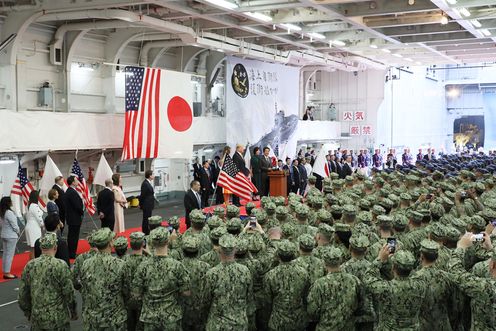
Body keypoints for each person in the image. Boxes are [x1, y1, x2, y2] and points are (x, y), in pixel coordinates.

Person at [132, 227, 191, 330]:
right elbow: (186, 292)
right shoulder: (177, 266)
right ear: (168, 241)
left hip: (150, 318)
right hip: (171, 318)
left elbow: (136, 294)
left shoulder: (143, 266)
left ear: (151, 243)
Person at [18, 233, 77, 330]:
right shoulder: (60, 265)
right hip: (58, 319)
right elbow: (69, 293)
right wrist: (73, 311)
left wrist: (29, 313)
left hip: (37, 318)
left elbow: (22, 296)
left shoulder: (30, 265)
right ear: (55, 247)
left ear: (41, 247)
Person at [80, 228, 127, 330]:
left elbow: (84, 287)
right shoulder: (120, 264)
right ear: (110, 243)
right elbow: (127, 291)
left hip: (94, 319)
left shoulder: (86, 264)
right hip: (115, 319)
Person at [204, 234, 253, 330]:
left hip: (217, 324)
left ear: (219, 250)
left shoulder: (211, 273)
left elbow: (205, 301)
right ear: (235, 250)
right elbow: (249, 298)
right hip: (239, 323)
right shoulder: (245, 271)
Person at [307, 247, 361, 330]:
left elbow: (312, 311)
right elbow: (362, 305)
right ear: (341, 260)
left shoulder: (319, 284)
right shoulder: (354, 280)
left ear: (324, 262)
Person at [65, 175, 84, 259]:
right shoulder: (72, 192)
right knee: (73, 236)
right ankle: (72, 253)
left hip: (72, 217)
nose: (78, 182)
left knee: (72, 235)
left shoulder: (70, 191)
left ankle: (71, 252)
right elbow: (77, 206)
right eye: (76, 180)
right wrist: (81, 211)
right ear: (72, 182)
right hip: (74, 217)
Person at [1, 196, 20, 279]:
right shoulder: (9, 213)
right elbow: (15, 226)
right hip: (11, 236)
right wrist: (18, 231)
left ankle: (5, 270)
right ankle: (7, 273)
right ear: (8, 203)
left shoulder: (2, 212)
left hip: (4, 234)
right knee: (9, 255)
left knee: (5, 253)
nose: (12, 202)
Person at [25, 190, 44, 260]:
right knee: (34, 247)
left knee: (32, 248)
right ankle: (32, 263)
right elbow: (39, 218)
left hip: (30, 226)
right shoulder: (35, 206)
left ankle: (31, 263)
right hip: (34, 228)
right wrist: (43, 225)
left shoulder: (29, 205)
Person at [139, 170, 155, 235]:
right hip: (146, 205)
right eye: (153, 174)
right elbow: (142, 195)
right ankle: (145, 231)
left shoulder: (148, 183)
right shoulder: (145, 184)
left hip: (149, 204)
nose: (154, 176)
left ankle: (147, 230)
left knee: (148, 218)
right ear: (150, 176)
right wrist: (140, 204)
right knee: (146, 219)